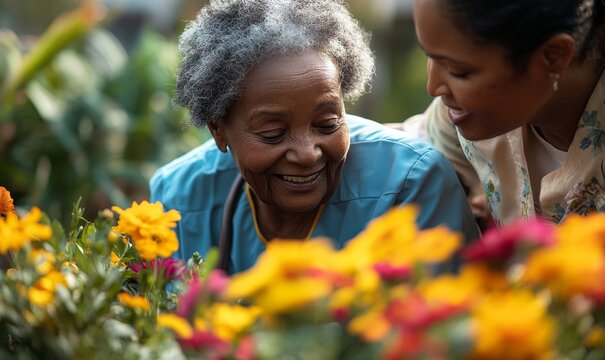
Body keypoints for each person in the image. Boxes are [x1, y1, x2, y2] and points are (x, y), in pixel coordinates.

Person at [150, 0, 480, 274]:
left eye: (327, 124)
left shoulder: (411, 183)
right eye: (273, 133)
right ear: (218, 131)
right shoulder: (179, 197)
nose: (307, 153)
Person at [409, 0, 605, 227]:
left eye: (459, 72)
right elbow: (405, 153)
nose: (432, 87)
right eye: (430, 57)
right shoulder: (467, 112)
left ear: (553, 56)